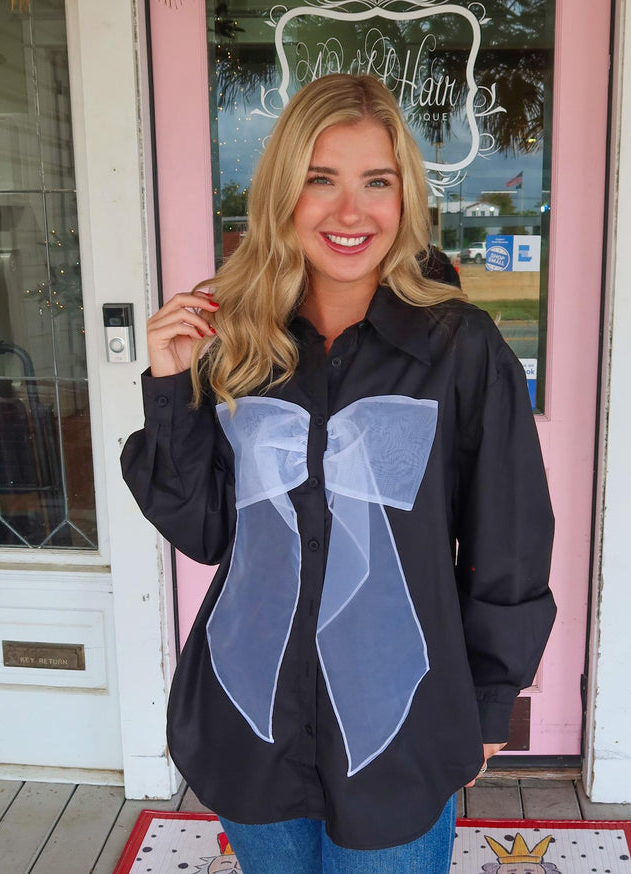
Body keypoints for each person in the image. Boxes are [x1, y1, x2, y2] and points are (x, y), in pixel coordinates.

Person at [121, 73, 555, 874]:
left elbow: (512, 537)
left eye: (376, 183)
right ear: (285, 194)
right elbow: (205, 531)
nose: (350, 212)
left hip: (400, 726)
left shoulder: (461, 349)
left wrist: (494, 695)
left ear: (404, 198)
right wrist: (173, 389)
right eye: (321, 180)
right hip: (252, 719)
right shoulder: (236, 339)